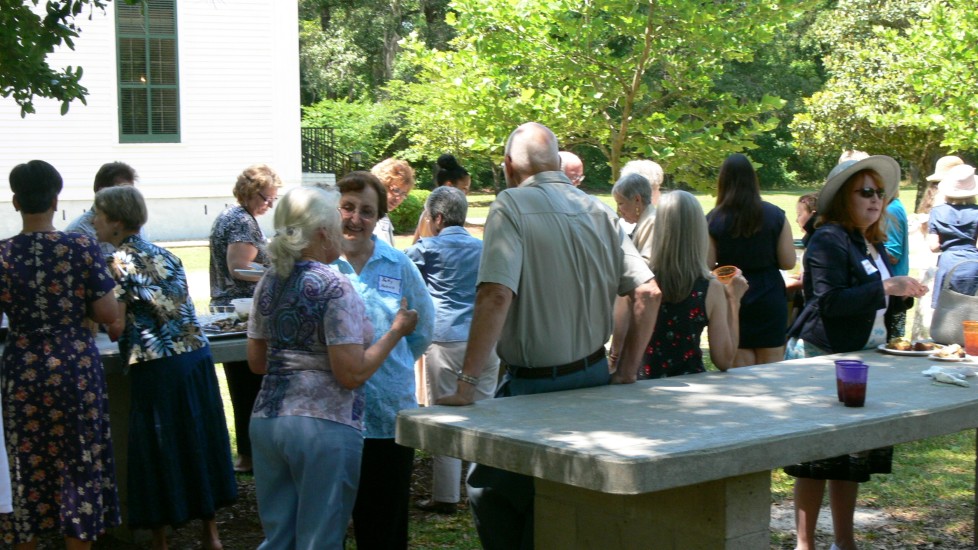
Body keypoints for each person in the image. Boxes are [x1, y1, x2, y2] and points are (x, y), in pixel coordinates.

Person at [437, 122, 661, 550]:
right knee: (563, 501)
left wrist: (466, 385)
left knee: (493, 492)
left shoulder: (510, 205)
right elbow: (648, 292)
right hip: (592, 379)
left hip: (532, 388)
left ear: (508, 166)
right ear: (557, 163)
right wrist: (627, 369)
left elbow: (496, 294)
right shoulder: (598, 210)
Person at [246, 186, 419, 549]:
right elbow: (350, 374)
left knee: (279, 538)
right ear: (323, 233)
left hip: (268, 422)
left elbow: (257, 362)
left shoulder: (269, 281)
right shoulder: (334, 285)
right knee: (319, 539)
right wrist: (396, 332)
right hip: (322, 426)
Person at [784, 155, 927, 550]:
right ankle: (805, 544)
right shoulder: (828, 238)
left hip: (861, 359)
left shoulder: (869, 241)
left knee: (849, 457)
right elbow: (828, 302)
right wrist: (885, 288)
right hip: (821, 359)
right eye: (865, 192)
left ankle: (844, 543)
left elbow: (874, 296)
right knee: (815, 458)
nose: (875, 199)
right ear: (843, 198)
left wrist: (903, 292)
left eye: (880, 192)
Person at [94, 185, 237, 550]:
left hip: (157, 366)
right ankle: (211, 534)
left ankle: (160, 541)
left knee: (157, 448)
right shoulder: (167, 254)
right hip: (196, 360)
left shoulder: (117, 262)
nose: (93, 220)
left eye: (99, 214)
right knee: (197, 440)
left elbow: (116, 325)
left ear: (116, 221)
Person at [0, 160, 121, 548]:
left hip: (21, 368)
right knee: (78, 461)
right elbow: (107, 313)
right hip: (74, 367)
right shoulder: (80, 247)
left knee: (23, 464)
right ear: (56, 201)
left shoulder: (3, 254)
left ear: (16, 202)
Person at [331, 171, 434, 549]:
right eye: (348, 207)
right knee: (327, 524)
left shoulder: (398, 264)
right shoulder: (320, 264)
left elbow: (422, 328)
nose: (355, 218)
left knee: (384, 526)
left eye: (367, 211)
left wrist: (389, 366)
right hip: (331, 414)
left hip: (387, 413)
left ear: (378, 218)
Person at [404, 187, 499, 515]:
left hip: (444, 339)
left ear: (437, 218)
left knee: (444, 418)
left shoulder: (426, 248)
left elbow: (401, 271)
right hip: (483, 339)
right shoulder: (484, 248)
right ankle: (484, 488)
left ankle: (445, 495)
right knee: (485, 415)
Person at [209, 163, 281, 474]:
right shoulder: (241, 221)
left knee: (244, 387)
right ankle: (251, 457)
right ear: (252, 193)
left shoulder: (232, 216)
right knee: (249, 387)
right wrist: (277, 272)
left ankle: (250, 455)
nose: (270, 205)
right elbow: (239, 267)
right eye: (267, 198)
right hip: (240, 312)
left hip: (231, 309)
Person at [630, 190, 748, 377]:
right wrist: (734, 300)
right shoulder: (710, 287)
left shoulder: (640, 279)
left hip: (644, 384)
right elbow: (724, 360)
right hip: (692, 384)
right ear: (699, 231)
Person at [707, 153, 795, 367]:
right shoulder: (776, 215)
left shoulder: (713, 219)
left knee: (739, 369)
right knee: (772, 367)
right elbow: (788, 261)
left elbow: (707, 263)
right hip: (769, 295)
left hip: (733, 293)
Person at [927, 164, 978, 308]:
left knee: (945, 309)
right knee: (971, 309)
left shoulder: (937, 212)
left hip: (947, 263)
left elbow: (934, 246)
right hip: (972, 263)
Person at [65, 161, 138, 256]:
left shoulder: (134, 225)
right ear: (101, 193)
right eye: (122, 192)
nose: (129, 198)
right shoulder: (78, 232)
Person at [412, 153, 472, 244]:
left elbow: (414, 243)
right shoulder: (440, 216)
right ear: (449, 186)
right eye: (464, 188)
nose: (466, 193)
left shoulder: (427, 212)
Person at [371, 158, 416, 246]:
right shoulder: (366, 218)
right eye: (395, 190)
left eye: (403, 194)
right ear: (380, 184)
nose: (398, 198)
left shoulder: (383, 217)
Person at [611, 172, 655, 262]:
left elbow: (646, 264)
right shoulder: (646, 220)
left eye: (620, 203)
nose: (618, 210)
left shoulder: (651, 223)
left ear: (637, 200)